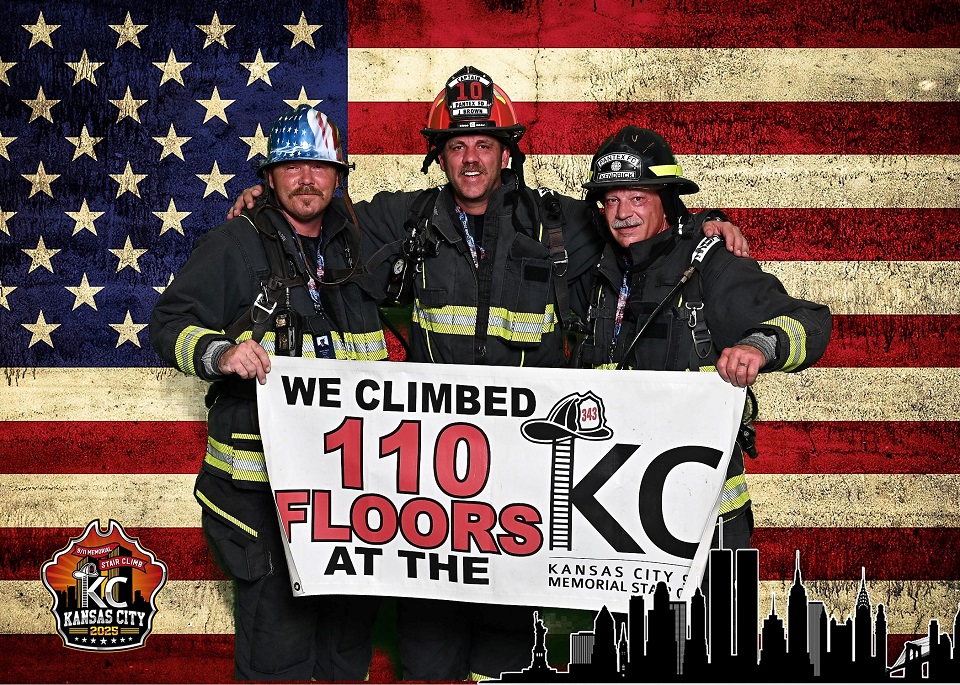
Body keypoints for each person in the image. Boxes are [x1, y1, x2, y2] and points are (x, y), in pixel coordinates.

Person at [228, 67, 748, 680]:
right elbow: (323, 220)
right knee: (426, 656)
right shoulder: (405, 221)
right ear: (439, 156)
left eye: (484, 144)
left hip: (519, 492)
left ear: (507, 152)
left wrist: (703, 223)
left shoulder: (557, 224)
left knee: (502, 658)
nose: (470, 158)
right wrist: (268, 203)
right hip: (433, 494)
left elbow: (636, 219)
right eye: (456, 145)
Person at [149, 105, 385, 681]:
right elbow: (169, 323)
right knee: (277, 657)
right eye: (293, 167)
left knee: (345, 655)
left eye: (320, 167)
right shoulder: (236, 244)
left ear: (339, 176)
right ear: (269, 178)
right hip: (264, 495)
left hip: (349, 498)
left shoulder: (358, 245)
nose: (308, 179)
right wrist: (221, 353)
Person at [573, 126, 833, 553]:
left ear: (666, 200)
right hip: (610, 514)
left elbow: (810, 321)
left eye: (638, 197)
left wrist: (760, 347)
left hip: (706, 522)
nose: (623, 212)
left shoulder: (708, 265)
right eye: (613, 199)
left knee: (712, 623)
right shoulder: (597, 270)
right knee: (632, 624)